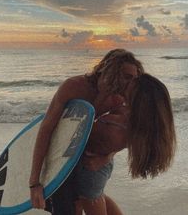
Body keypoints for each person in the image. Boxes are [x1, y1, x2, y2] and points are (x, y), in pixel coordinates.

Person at [29, 49, 144, 213]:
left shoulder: (119, 98)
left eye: (134, 78)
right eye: (126, 76)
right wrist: (35, 182)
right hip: (62, 155)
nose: (130, 83)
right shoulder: (74, 87)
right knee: (72, 206)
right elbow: (46, 129)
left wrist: (106, 157)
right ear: (108, 69)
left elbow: (126, 136)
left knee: (89, 196)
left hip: (93, 161)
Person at [73, 73, 176, 215]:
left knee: (93, 199)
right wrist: (107, 157)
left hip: (90, 169)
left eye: (131, 84)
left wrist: (102, 96)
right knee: (98, 197)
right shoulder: (136, 121)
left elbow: (81, 127)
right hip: (99, 166)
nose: (127, 83)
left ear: (138, 97)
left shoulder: (118, 127)